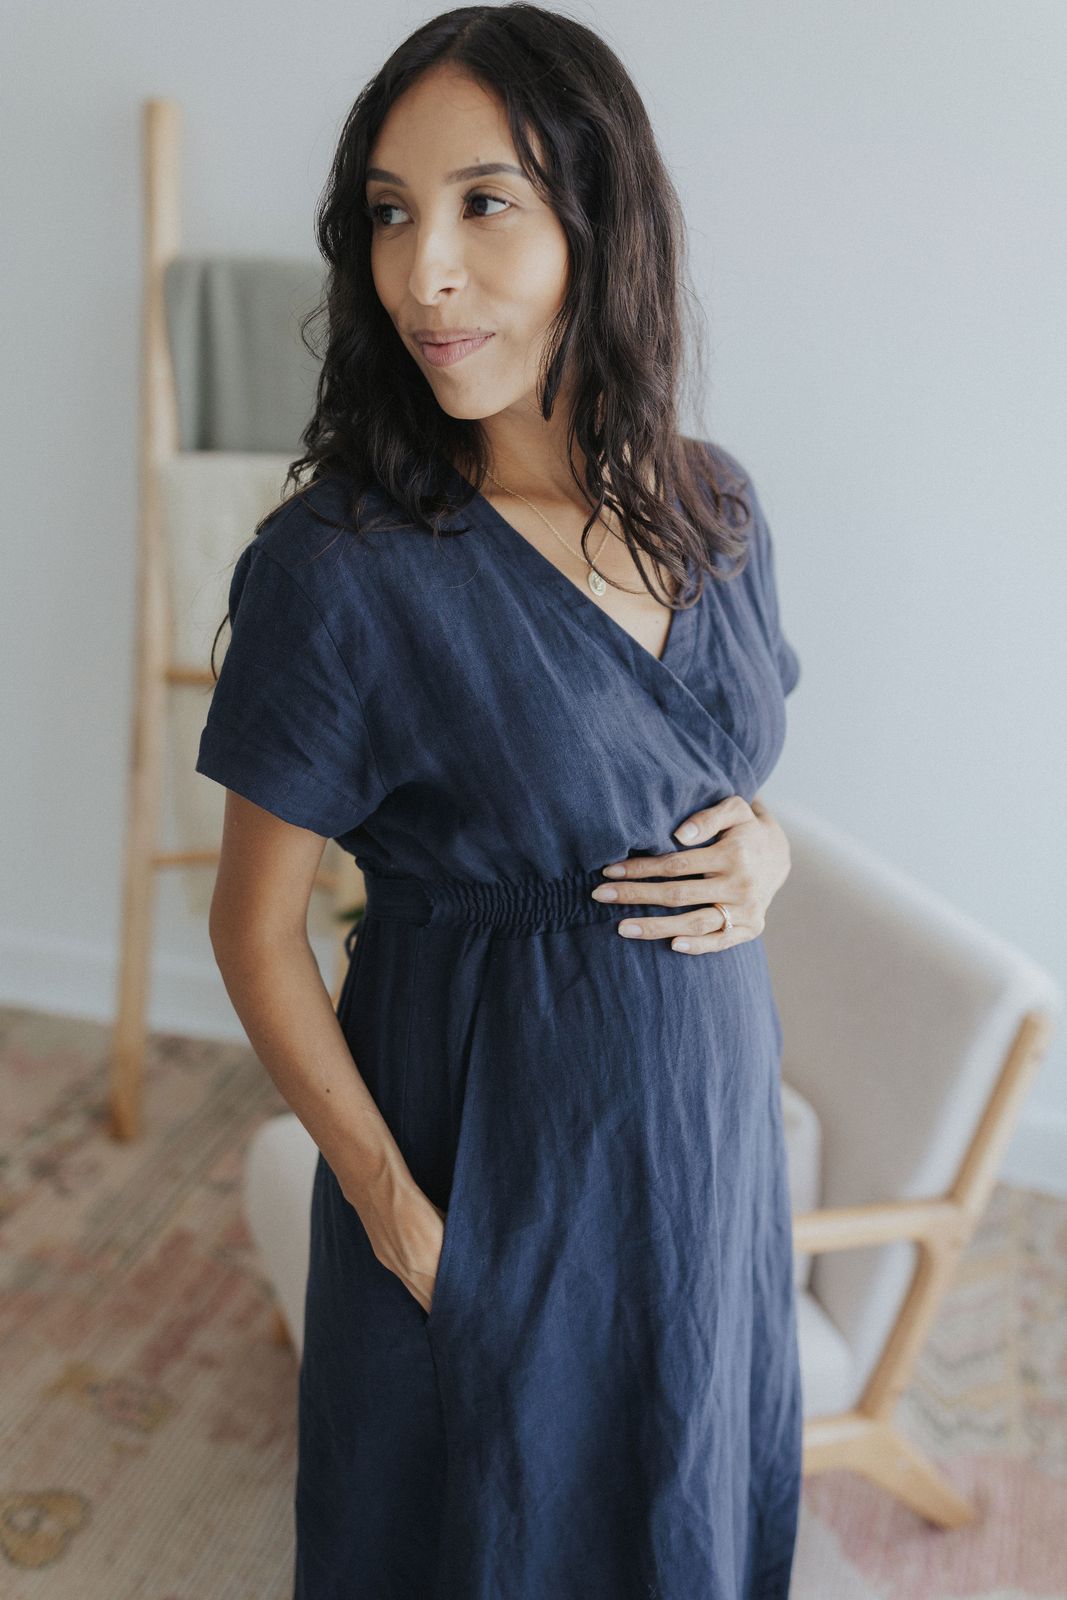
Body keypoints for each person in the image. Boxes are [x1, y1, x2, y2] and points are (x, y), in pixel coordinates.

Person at [197, 6, 805, 1596]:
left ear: (601, 223)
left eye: (484, 205)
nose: (422, 275)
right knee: (475, 1539)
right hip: (482, 1170)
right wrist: (407, 1228)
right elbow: (254, 935)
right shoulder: (343, 570)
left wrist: (775, 850)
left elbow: (719, 778)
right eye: (391, 215)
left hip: (701, 1151)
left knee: (685, 1514)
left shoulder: (717, 506)